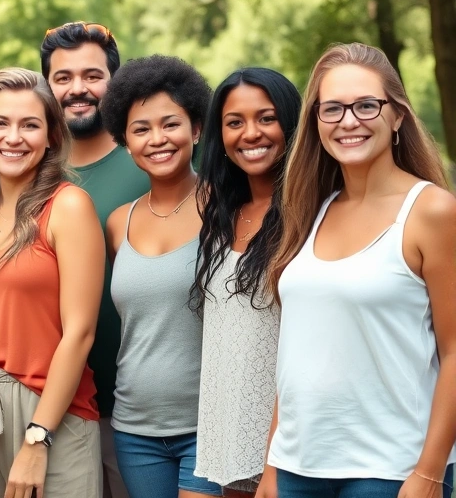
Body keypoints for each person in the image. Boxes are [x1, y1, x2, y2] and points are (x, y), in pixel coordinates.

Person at [259, 43, 456, 498]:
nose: (349, 121)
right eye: (332, 109)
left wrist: (429, 474)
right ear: (316, 122)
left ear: (398, 115)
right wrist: (273, 463)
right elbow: (298, 353)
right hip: (297, 468)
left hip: (390, 472)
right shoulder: (311, 209)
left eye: (367, 105)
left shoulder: (431, 211)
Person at [0, 67, 105, 498]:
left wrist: (37, 437)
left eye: (29, 125)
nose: (13, 137)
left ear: (51, 135)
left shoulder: (68, 206)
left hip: (50, 412)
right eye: (0, 123)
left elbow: (80, 333)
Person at [99, 55, 221, 498]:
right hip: (133, 428)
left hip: (208, 424)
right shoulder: (118, 223)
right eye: (140, 129)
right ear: (125, 143)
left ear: (197, 128)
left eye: (170, 124)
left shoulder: (227, 211)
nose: (157, 139)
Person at [41, 21, 148, 498]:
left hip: (139, 411)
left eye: (92, 75)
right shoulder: (30, 171)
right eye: (62, 78)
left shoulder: (150, 160)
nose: (77, 89)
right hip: (50, 407)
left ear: (115, 82)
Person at [190, 68, 300, 497]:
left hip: (289, 444)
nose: (250, 133)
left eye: (266, 118)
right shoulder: (220, 211)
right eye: (235, 122)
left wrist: (274, 455)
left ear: (290, 123)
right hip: (227, 441)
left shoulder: (309, 212)